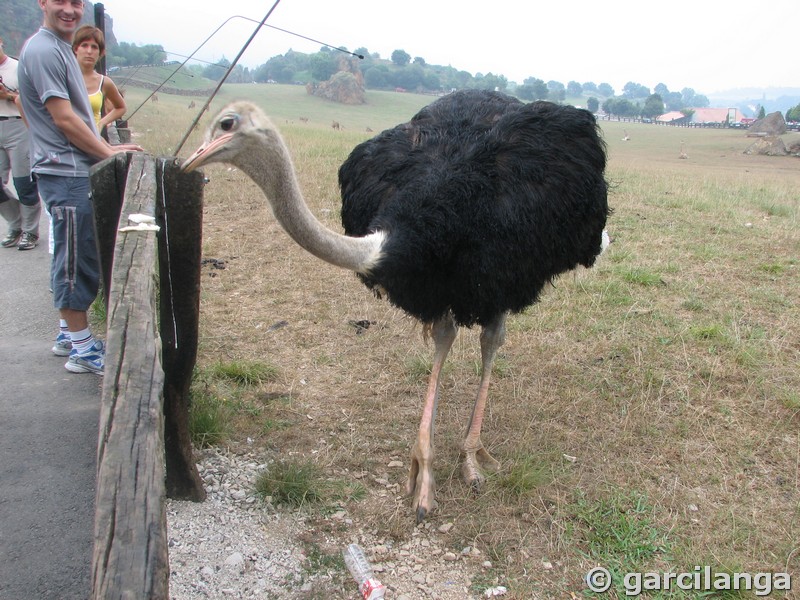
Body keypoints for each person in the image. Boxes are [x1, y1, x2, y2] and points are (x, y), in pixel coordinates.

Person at [17, 0, 142, 375]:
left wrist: (109, 147)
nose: (70, 10)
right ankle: (82, 352)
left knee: (79, 257)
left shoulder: (57, 48)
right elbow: (64, 119)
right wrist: (107, 153)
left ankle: (72, 338)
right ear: (43, 3)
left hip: (72, 169)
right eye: (61, 1)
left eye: (76, 3)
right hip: (65, 172)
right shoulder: (43, 50)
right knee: (73, 263)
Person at [0, 35, 41, 251]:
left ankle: (30, 230)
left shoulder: (17, 68)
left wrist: (7, 96)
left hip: (18, 126)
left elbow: (33, 99)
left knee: (23, 181)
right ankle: (16, 224)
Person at [72, 25, 126, 134]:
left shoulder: (104, 82)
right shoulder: (62, 77)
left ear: (101, 53)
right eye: (84, 45)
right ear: (76, 49)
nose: (89, 51)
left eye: (94, 47)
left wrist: (101, 123)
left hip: (92, 142)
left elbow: (121, 107)